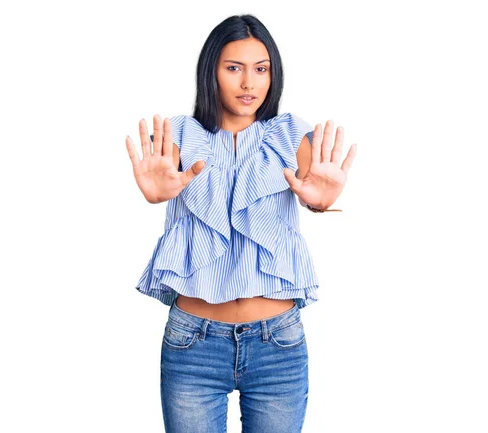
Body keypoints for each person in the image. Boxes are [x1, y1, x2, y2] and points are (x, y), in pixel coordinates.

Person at [125, 14, 356, 433]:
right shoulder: (179, 134)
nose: (249, 83)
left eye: (260, 69)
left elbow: (315, 186)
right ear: (211, 71)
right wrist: (157, 193)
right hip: (193, 345)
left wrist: (323, 204)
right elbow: (161, 178)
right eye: (234, 68)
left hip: (277, 345)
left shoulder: (289, 136)